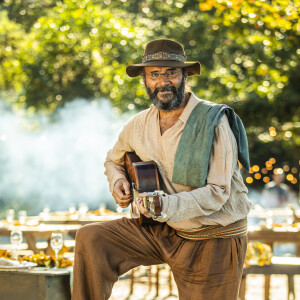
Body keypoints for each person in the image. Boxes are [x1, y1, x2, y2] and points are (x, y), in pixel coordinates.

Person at [72, 39, 253, 300]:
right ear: (145, 80)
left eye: (171, 73)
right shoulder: (138, 124)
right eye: (154, 74)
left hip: (213, 237)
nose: (163, 82)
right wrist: (118, 181)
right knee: (92, 239)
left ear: (185, 76)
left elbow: (218, 191)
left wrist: (163, 205)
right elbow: (113, 160)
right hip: (164, 229)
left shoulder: (213, 121)